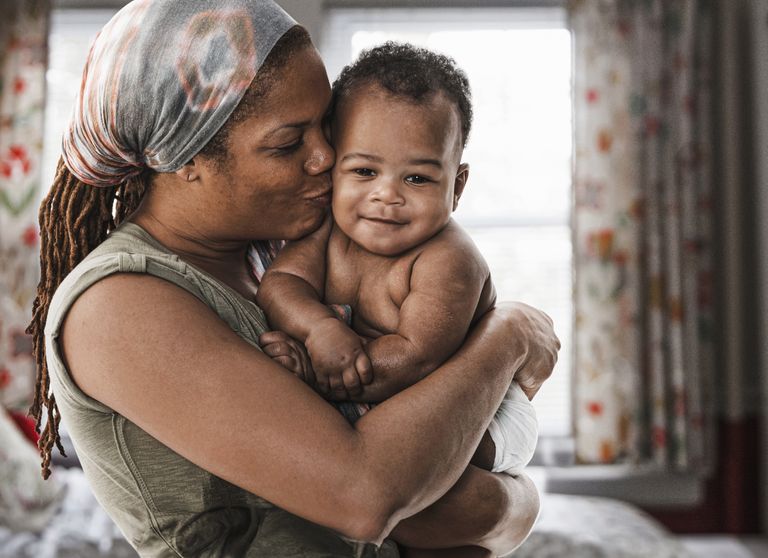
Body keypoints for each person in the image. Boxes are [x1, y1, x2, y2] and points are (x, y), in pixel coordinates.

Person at [26, 2, 560, 557]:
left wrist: (507, 505)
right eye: (288, 142)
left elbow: (466, 499)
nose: (327, 158)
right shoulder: (118, 304)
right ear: (186, 159)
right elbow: (368, 498)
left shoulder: (278, 259)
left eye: (326, 127)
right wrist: (509, 335)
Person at [256, 43, 539, 480]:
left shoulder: (449, 260)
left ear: (457, 187)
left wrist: (314, 372)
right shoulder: (327, 230)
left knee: (435, 477)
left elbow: (417, 358)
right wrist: (319, 327)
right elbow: (281, 282)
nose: (387, 195)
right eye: (365, 172)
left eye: (417, 178)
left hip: (485, 412)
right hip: (373, 395)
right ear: (333, 166)